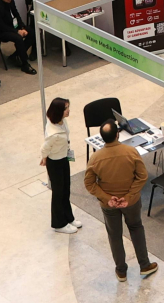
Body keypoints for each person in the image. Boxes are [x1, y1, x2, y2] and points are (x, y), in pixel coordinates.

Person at [83, 119, 155, 280]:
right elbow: (142, 176)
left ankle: (121, 271)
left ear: (102, 138)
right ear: (117, 134)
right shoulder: (131, 152)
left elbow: (89, 183)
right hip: (131, 202)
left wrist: (107, 198)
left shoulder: (95, 158)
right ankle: (145, 265)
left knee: (114, 235)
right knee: (136, 228)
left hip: (109, 206)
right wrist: (129, 196)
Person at [41, 97, 77, 233]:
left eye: (68, 107)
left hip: (63, 157)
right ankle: (59, 223)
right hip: (55, 162)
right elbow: (45, 148)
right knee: (58, 192)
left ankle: (68, 217)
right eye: (65, 108)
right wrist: (44, 158)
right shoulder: (53, 133)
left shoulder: (62, 121)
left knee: (66, 189)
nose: (68, 110)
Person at [0, 0, 36, 74]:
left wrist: (22, 27)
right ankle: (25, 64)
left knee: (32, 32)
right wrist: (17, 31)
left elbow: (16, 14)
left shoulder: (11, 1)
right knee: (18, 38)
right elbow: (1, 26)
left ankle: (15, 55)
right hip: (0, 31)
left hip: (11, 25)